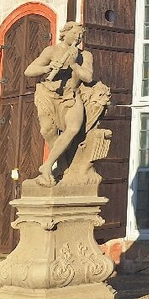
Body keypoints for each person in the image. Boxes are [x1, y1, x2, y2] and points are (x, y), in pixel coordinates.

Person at [24, 21, 94, 186]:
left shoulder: (85, 56)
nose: (78, 37)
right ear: (66, 33)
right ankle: (62, 167)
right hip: (49, 94)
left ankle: (47, 165)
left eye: (81, 35)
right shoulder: (51, 50)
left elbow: (88, 77)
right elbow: (29, 70)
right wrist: (47, 68)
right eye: (75, 33)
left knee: (73, 128)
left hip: (71, 95)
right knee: (48, 131)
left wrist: (74, 64)